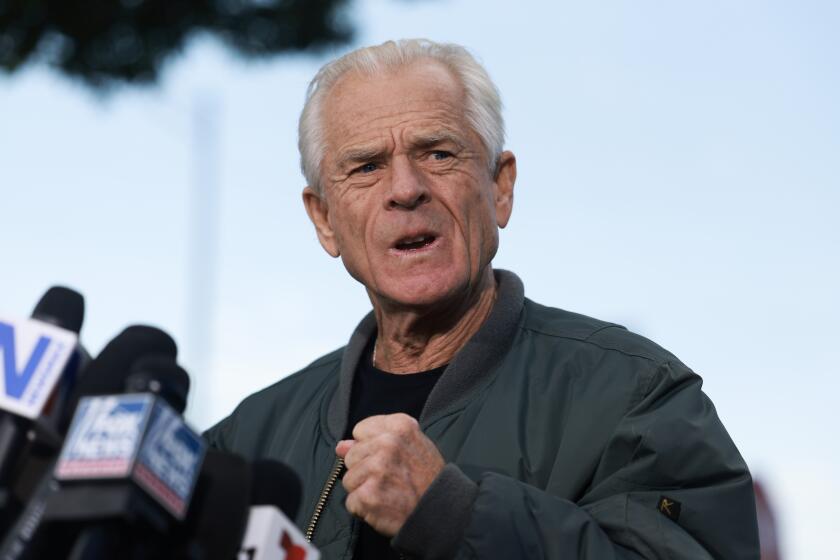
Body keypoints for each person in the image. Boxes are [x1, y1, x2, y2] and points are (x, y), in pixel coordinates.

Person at [204, 39, 759, 559]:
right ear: (324, 219)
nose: (405, 189)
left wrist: (456, 516)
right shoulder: (249, 434)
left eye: (439, 154)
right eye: (367, 166)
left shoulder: (636, 397)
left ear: (500, 187)